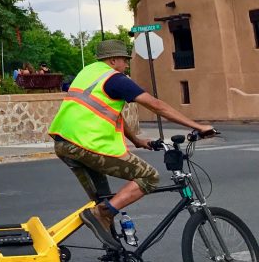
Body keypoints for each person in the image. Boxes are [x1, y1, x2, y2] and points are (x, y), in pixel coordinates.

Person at [49, 39, 213, 248]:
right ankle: (102, 213)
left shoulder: (88, 73)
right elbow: (156, 105)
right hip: (86, 145)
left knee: (104, 199)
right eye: (124, 61)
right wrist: (197, 126)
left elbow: (107, 110)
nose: (126, 65)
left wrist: (136, 140)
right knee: (148, 177)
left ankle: (114, 260)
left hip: (64, 145)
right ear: (114, 60)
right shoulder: (115, 79)